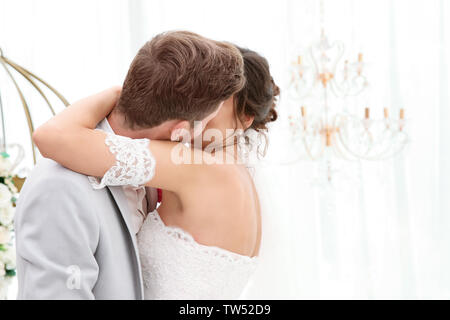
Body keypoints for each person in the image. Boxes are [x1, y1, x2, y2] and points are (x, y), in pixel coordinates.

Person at [32, 45, 279, 299]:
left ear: (246, 118)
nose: (202, 106)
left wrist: (122, 93)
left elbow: (53, 136)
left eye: (218, 101)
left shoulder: (201, 168)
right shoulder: (242, 179)